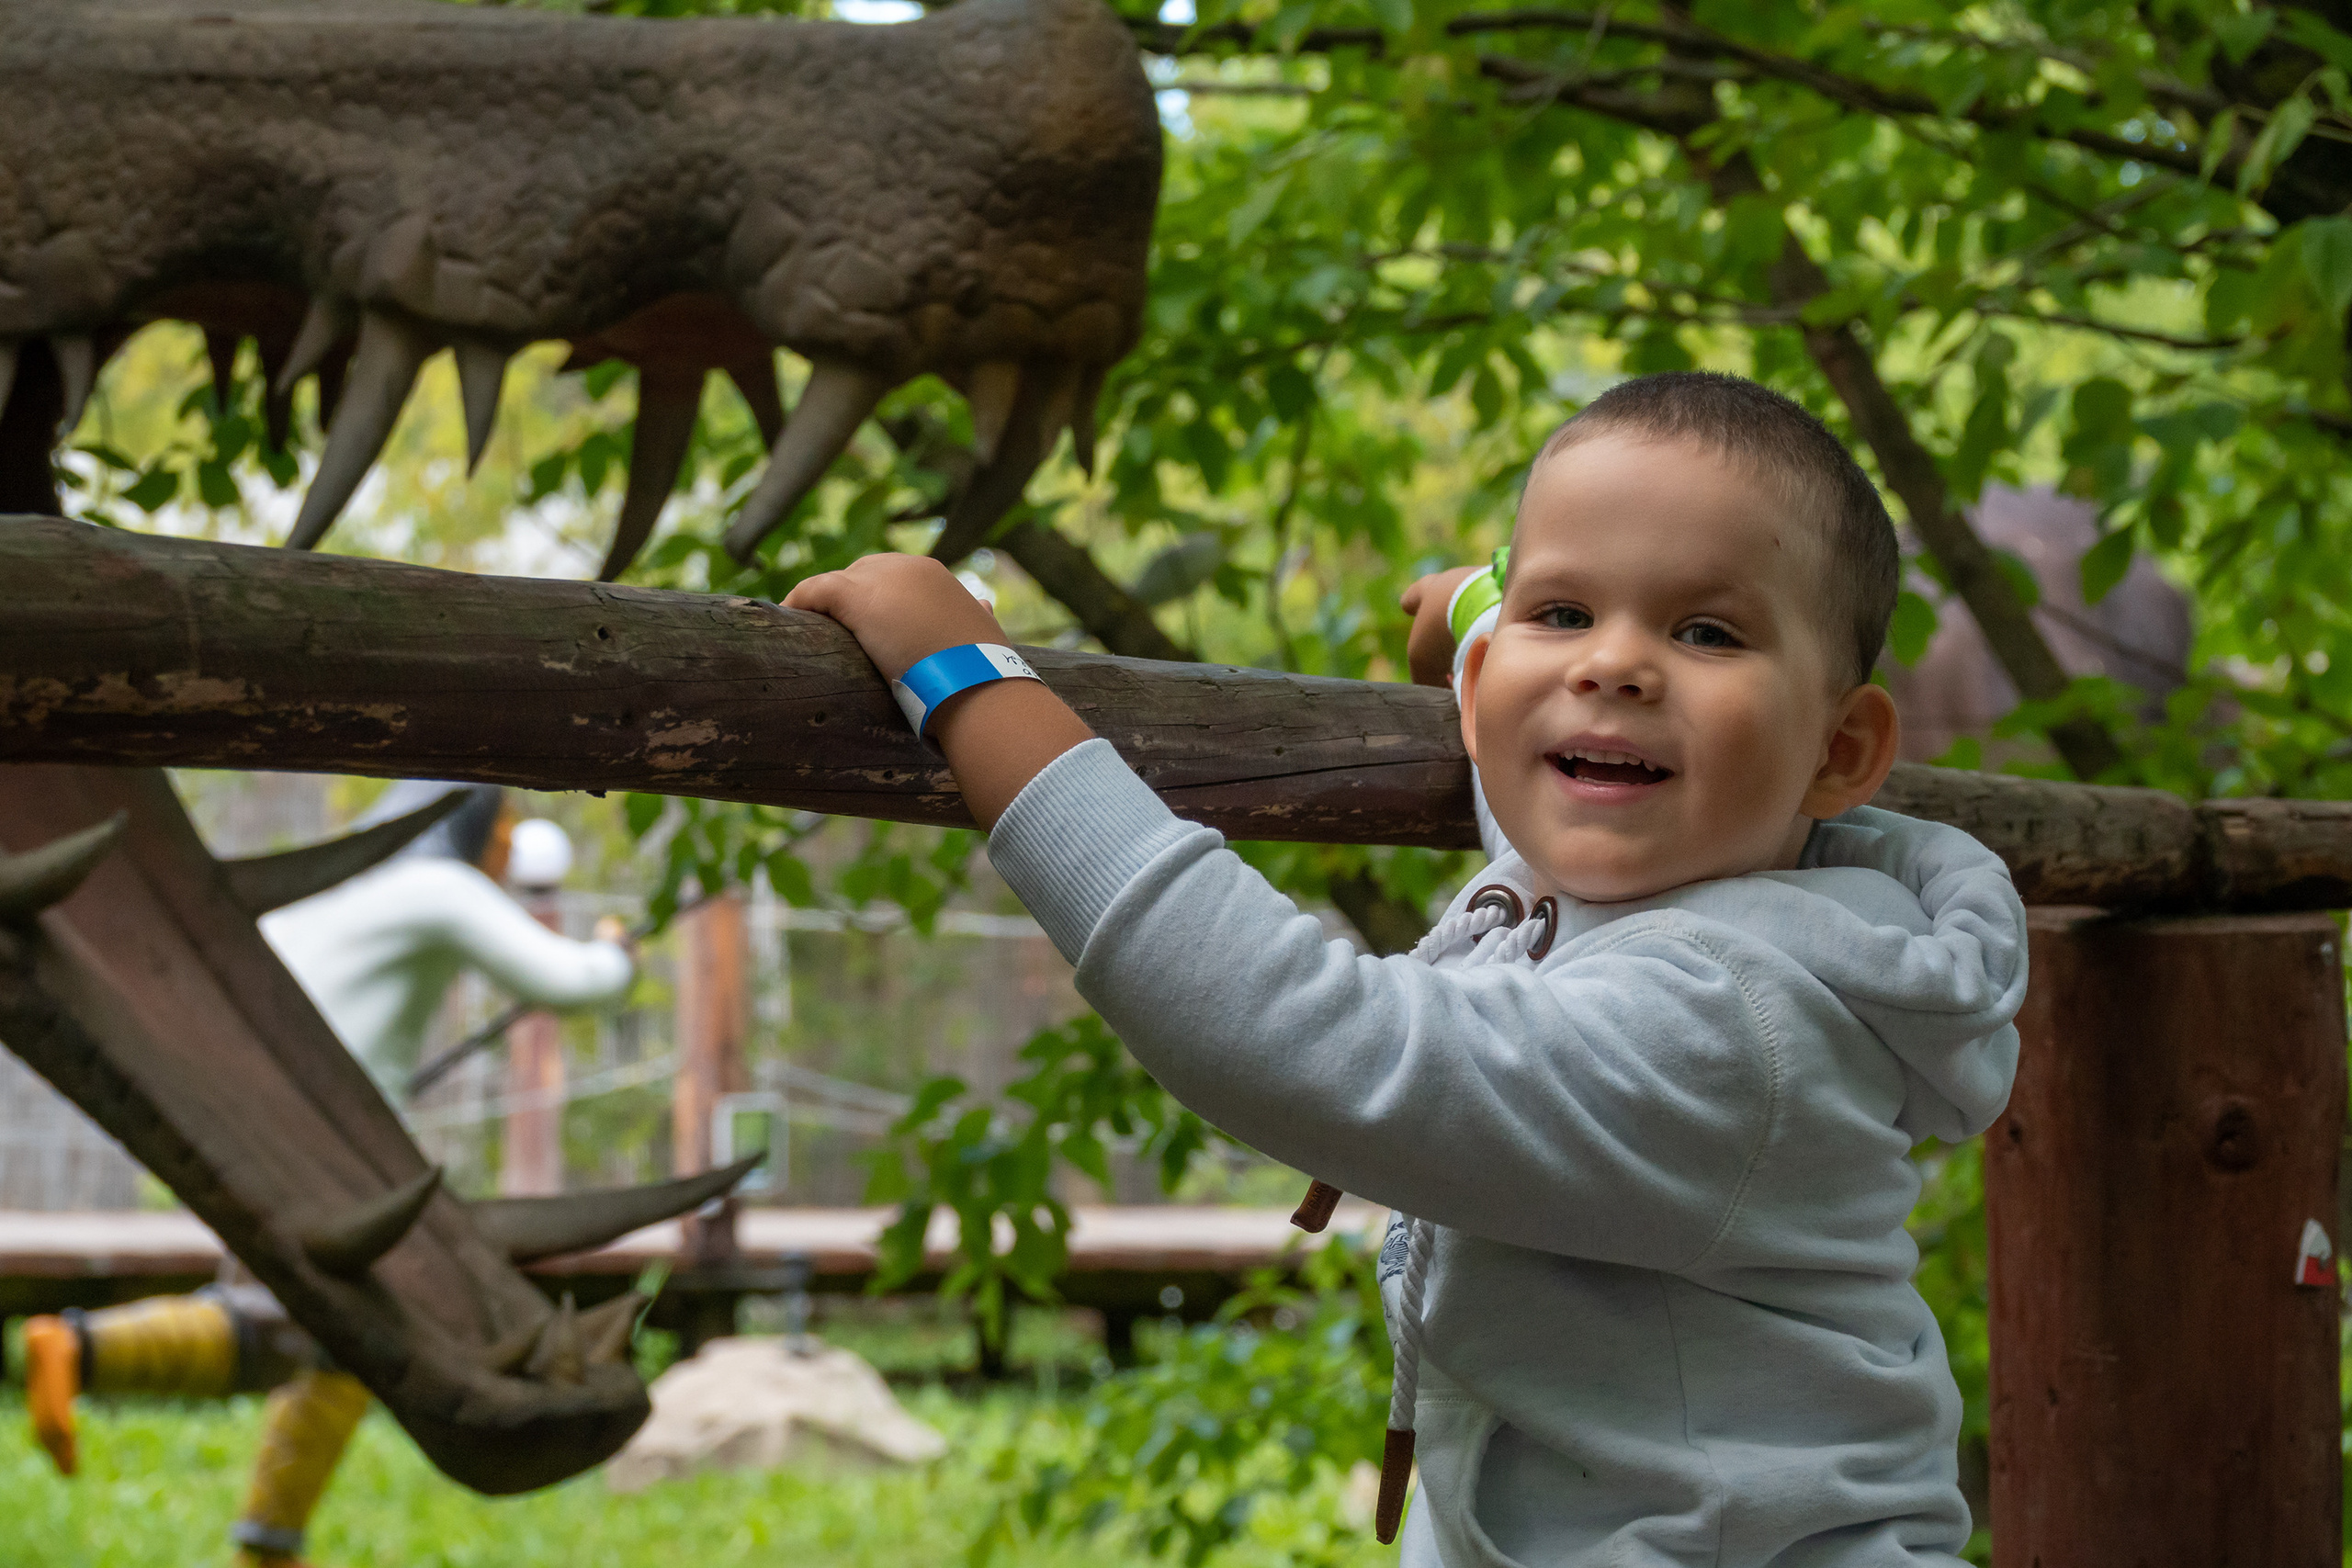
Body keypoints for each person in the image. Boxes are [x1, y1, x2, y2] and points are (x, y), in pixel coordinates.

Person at [785, 370, 2027, 1563]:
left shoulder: (1722, 1024)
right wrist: (1485, 620)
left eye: (1705, 628)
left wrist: (969, 676)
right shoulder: (1665, 888)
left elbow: (1309, 1038)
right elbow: (1551, 789)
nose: (1612, 663)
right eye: (1565, 613)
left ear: (1840, 747)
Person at [22, 784, 637, 1568]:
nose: (513, 845)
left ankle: (267, 1541)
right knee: (347, 1327)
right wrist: (618, 950)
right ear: (472, 822)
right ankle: (81, 1350)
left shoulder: (350, 885)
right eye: (507, 825)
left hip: (247, 1114)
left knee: (333, 1337)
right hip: (339, 1148)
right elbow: (568, 981)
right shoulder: (440, 888)